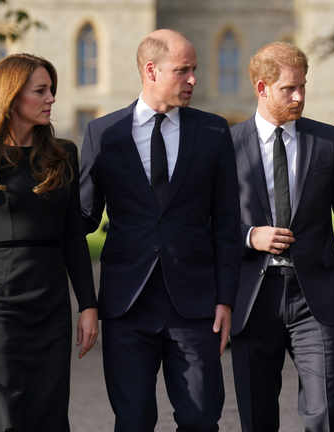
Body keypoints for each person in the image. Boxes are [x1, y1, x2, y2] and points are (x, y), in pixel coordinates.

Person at [78, 29, 240, 431]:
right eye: (183, 70)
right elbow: (81, 219)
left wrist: (226, 299)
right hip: (126, 304)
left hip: (196, 304)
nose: (193, 80)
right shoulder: (103, 134)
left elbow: (226, 223)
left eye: (194, 70)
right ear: (151, 70)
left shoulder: (214, 131)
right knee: (132, 420)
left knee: (201, 418)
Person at [0, 53, 99, 431]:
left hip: (52, 304)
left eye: (52, 90)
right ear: (11, 97)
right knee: (5, 417)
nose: (51, 99)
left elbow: (74, 236)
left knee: (49, 415)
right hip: (2, 306)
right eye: (41, 91)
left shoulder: (64, 155)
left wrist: (88, 306)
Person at [229, 42, 334, 432]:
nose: (299, 97)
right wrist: (249, 236)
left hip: (313, 298)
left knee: (326, 412)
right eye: (288, 89)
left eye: (303, 87)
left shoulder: (327, 141)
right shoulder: (226, 146)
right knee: (256, 416)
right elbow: (205, 221)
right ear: (262, 88)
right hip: (252, 297)